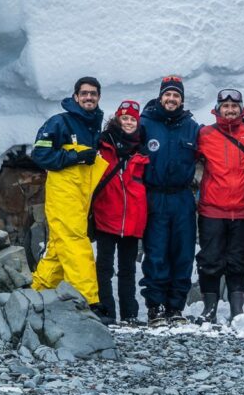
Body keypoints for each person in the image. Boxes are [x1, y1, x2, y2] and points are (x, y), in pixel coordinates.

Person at [30, 77, 108, 311]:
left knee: (57, 247)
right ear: (75, 97)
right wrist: (75, 157)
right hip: (63, 192)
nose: (88, 97)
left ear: (98, 97)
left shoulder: (94, 125)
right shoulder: (59, 122)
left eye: (93, 94)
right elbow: (40, 154)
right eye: (84, 93)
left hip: (80, 194)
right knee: (75, 242)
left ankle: (35, 295)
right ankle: (88, 300)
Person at [194, 88, 244, 322]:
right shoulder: (205, 134)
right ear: (218, 109)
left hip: (242, 210)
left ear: (241, 108)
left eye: (235, 106)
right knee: (210, 259)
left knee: (238, 260)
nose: (230, 110)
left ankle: (237, 310)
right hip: (212, 209)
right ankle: (209, 309)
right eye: (226, 106)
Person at [139, 75, 202, 326]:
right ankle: (156, 306)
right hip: (154, 195)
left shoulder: (192, 127)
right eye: (168, 94)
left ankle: (176, 307)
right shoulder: (145, 123)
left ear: (182, 100)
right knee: (156, 253)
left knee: (183, 253)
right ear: (161, 96)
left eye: (176, 95)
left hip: (182, 196)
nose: (172, 99)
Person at [91, 100, 149, 326]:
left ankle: (129, 313)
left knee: (128, 269)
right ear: (117, 119)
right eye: (124, 118)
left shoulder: (142, 150)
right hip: (107, 214)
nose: (128, 122)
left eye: (132, 119)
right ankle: (107, 310)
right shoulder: (104, 144)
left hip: (132, 219)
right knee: (104, 267)